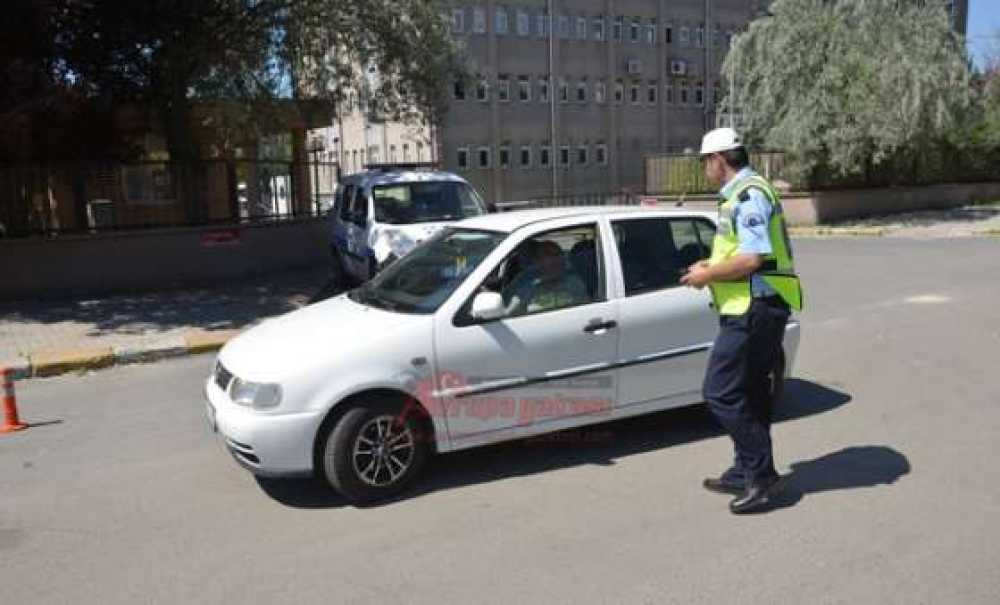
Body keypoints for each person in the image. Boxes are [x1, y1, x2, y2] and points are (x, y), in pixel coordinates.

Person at [680, 127, 804, 514]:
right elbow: (743, 252)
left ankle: (761, 475)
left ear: (719, 159)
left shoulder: (748, 194)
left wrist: (707, 276)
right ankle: (746, 469)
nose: (704, 169)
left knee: (720, 391)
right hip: (751, 305)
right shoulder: (741, 193)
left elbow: (753, 259)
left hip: (756, 307)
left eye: (704, 161)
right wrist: (711, 265)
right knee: (749, 390)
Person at [504, 240, 588, 315]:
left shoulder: (574, 282)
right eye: (548, 254)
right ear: (537, 261)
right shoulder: (525, 286)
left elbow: (586, 311)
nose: (555, 259)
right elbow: (508, 314)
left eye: (558, 254)